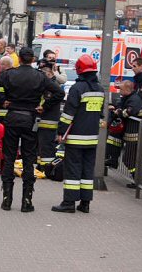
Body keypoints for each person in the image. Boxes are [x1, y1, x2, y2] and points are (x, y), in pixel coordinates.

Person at [0, 47, 64, 212]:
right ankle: (26, 201)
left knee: (9, 157)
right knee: (29, 160)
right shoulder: (40, 76)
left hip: (12, 118)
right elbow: (58, 93)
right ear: (33, 60)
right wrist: (43, 106)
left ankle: (7, 200)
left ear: (19, 59)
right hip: (31, 119)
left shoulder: (9, 74)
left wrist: (2, 100)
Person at [51, 54, 104, 214]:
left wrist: (60, 131)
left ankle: (69, 203)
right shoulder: (100, 90)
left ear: (80, 71)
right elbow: (100, 114)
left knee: (73, 169)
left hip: (76, 138)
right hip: (92, 138)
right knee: (87, 170)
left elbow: (68, 114)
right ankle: (85, 203)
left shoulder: (77, 89)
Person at [105, 80, 142, 189]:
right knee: (130, 159)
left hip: (137, 134)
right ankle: (138, 181)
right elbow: (121, 106)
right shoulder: (127, 98)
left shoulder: (134, 100)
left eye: (122, 89)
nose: (120, 91)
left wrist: (118, 112)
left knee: (129, 159)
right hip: (131, 133)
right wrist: (117, 109)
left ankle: (139, 182)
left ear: (128, 89)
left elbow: (129, 111)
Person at [36, 59, 62, 169]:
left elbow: (47, 101)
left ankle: (47, 168)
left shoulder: (52, 86)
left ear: (49, 73)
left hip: (49, 122)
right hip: (44, 121)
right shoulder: (49, 84)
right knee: (42, 146)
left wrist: (43, 107)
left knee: (46, 147)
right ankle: (41, 166)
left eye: (43, 74)